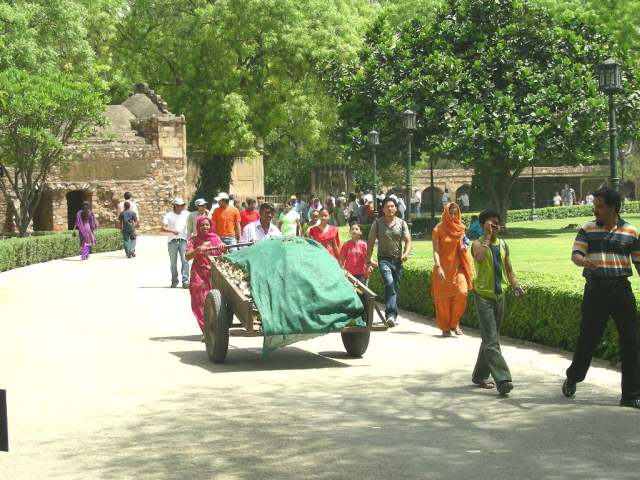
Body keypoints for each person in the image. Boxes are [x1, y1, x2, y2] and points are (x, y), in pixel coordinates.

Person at [562, 188, 640, 409]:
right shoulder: (588, 228)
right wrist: (583, 261)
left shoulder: (631, 232)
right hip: (596, 291)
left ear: (612, 208)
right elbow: (576, 254)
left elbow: (638, 263)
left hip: (621, 292)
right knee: (588, 339)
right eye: (594, 205)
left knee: (631, 342)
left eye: (599, 206)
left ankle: (631, 394)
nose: (594, 209)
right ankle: (574, 377)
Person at [471, 209, 525, 395]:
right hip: (483, 296)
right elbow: (478, 258)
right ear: (482, 225)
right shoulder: (477, 243)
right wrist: (486, 236)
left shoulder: (503, 245)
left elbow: (509, 269)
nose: (495, 227)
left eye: (497, 223)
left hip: (499, 296)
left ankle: (479, 375)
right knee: (491, 339)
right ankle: (503, 379)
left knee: (490, 338)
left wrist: (516, 287)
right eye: (490, 223)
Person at [365, 197, 412, 327]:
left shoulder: (402, 223)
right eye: (387, 206)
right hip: (383, 260)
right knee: (390, 283)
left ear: (396, 208)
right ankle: (391, 315)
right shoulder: (378, 224)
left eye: (392, 206)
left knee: (394, 288)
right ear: (383, 209)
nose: (390, 209)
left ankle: (392, 314)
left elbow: (408, 241)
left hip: (397, 261)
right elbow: (370, 242)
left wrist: (406, 254)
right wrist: (368, 260)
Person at [432, 203, 473, 337]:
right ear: (446, 213)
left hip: (458, 268)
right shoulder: (438, 230)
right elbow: (436, 251)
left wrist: (464, 247)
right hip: (442, 268)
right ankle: (445, 327)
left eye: (456, 213)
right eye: (451, 213)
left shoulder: (460, 228)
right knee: (443, 301)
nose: (454, 216)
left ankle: (455, 323)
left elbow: (465, 241)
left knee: (462, 293)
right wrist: (438, 267)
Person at [186, 216, 225, 337]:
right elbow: (187, 256)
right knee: (202, 301)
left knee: (216, 302)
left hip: (214, 274)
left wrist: (224, 248)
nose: (205, 227)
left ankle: (215, 328)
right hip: (198, 274)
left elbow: (224, 256)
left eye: (207, 225)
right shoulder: (194, 240)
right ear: (198, 227)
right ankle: (207, 331)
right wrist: (197, 250)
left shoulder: (216, 239)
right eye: (202, 225)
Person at [161, 198, 190, 288]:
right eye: (181, 205)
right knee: (173, 262)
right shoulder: (169, 215)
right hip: (172, 241)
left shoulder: (186, 214)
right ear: (176, 206)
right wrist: (172, 230)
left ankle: (185, 280)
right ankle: (174, 280)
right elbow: (163, 227)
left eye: (183, 205)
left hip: (183, 240)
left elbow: (195, 215)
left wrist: (205, 211)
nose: (183, 207)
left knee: (185, 260)